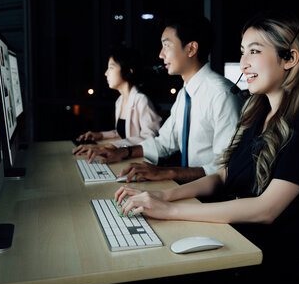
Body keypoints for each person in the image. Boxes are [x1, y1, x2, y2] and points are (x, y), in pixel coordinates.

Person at [113, 12, 299, 284]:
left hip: (272, 256)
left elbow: (266, 210)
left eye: (254, 51)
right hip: (238, 237)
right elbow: (222, 176)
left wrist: (169, 211)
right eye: (242, 52)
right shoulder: (258, 113)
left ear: (289, 58)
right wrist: (165, 197)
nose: (243, 63)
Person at [84, 16, 242, 183]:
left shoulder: (222, 95)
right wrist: (122, 152)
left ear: (191, 49)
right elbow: (164, 143)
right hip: (190, 189)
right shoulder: (185, 94)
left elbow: (226, 167)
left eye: (166, 45)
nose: (160, 54)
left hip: (214, 199)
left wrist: (168, 173)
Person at [73, 49, 162, 153]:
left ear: (128, 70)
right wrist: (100, 135)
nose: (106, 73)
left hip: (142, 159)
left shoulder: (141, 100)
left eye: (111, 68)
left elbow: (150, 138)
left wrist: (111, 145)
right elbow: (122, 133)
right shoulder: (119, 101)